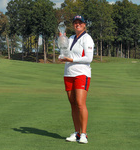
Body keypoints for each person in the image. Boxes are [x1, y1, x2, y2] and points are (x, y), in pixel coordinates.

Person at [59, 15, 94, 144]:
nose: (77, 24)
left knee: (80, 103)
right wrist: (61, 46)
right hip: (68, 73)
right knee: (73, 103)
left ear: (84, 25)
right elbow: (65, 53)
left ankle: (84, 134)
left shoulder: (87, 38)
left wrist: (71, 60)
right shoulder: (71, 38)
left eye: (80, 22)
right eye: (75, 23)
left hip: (81, 74)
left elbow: (88, 58)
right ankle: (77, 133)